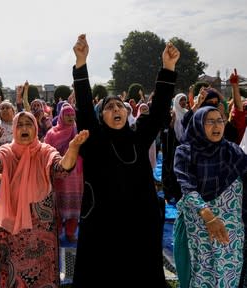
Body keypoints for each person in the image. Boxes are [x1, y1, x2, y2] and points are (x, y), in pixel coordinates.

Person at [71, 34, 180, 287]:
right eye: (109, 108)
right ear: (102, 116)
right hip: (103, 231)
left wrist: (168, 67)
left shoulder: (138, 138)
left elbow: (160, 111)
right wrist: (81, 63)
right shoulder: (93, 140)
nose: (116, 110)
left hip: (138, 228)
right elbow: (85, 109)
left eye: (119, 106)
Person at [0, 109, 89, 287]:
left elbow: (61, 168)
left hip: (42, 229)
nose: (24, 128)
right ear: (14, 130)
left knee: (44, 274)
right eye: (19, 125)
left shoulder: (45, 151)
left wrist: (73, 148)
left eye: (29, 124)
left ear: (36, 128)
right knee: (14, 275)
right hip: (12, 230)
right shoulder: (7, 151)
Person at [173, 106, 247, 288]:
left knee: (228, 275)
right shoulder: (185, 152)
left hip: (231, 232)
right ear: (198, 124)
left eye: (220, 120)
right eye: (210, 121)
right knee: (202, 275)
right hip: (201, 229)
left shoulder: (234, 151)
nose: (217, 125)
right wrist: (209, 217)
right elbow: (188, 188)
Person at [44, 103, 83, 243]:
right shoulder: (52, 133)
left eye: (73, 115)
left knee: (74, 204)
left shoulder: (77, 131)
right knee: (58, 205)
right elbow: (46, 150)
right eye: (67, 115)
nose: (71, 117)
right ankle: (57, 231)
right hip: (59, 176)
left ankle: (71, 232)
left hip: (75, 175)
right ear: (61, 116)